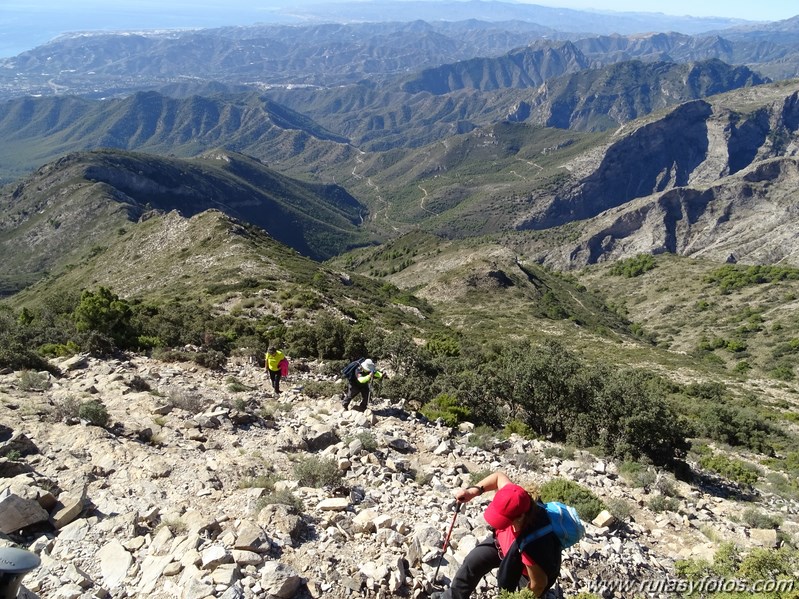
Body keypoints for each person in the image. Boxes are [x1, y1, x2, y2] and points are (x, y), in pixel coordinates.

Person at [433, 471, 562, 599]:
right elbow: (498, 477)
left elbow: (539, 584)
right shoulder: (513, 496)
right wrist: (472, 491)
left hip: (523, 570)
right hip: (500, 545)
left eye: (503, 520)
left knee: (509, 590)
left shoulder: (533, 545)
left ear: (520, 517)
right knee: (472, 562)